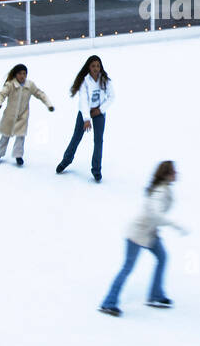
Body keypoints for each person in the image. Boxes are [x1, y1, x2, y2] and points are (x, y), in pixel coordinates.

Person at [98, 161, 187, 317]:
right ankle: (108, 302)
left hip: (149, 233)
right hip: (137, 234)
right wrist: (175, 225)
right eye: (173, 172)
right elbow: (156, 214)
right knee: (128, 267)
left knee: (162, 257)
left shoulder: (164, 189)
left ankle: (155, 296)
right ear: (166, 174)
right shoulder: (160, 192)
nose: (176, 174)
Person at [56, 55, 113, 182]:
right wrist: (86, 118)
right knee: (76, 137)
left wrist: (100, 110)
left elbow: (111, 97)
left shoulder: (105, 80)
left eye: (98, 66)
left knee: (98, 141)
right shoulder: (85, 81)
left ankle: (96, 169)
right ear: (89, 67)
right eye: (93, 66)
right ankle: (66, 161)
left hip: (99, 112)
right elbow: (83, 100)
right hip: (85, 112)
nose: (96, 68)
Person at [0, 64, 54, 165]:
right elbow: (1, 94)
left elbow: (40, 94)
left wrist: (49, 105)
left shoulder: (29, 85)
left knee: (20, 136)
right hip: (9, 115)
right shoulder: (10, 85)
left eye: (24, 73)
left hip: (23, 115)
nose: (22, 76)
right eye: (20, 73)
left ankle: (18, 155)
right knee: (5, 135)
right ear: (16, 74)